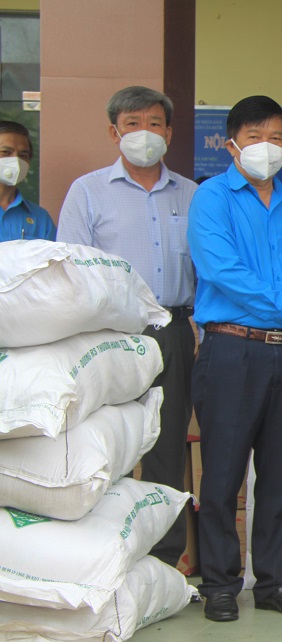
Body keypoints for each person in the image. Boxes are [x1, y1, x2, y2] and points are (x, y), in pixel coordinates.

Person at [187, 95, 282, 623]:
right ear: (230, 144)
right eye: (256, 136)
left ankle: (275, 583)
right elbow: (223, 272)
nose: (267, 147)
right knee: (221, 474)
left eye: (277, 137)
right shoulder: (212, 199)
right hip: (231, 349)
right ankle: (219, 583)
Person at [58, 86, 197, 567]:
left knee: (166, 443)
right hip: (109, 338)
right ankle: (104, 556)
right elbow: (72, 271)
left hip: (173, 332)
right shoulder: (88, 191)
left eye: (155, 124)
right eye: (133, 124)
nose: (144, 134)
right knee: (107, 441)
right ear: (113, 131)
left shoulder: (192, 194)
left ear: (170, 132)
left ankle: (163, 561)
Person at [0, 121, 55, 242]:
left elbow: (53, 259)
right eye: (6, 152)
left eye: (23, 155)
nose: (15, 160)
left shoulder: (40, 218)